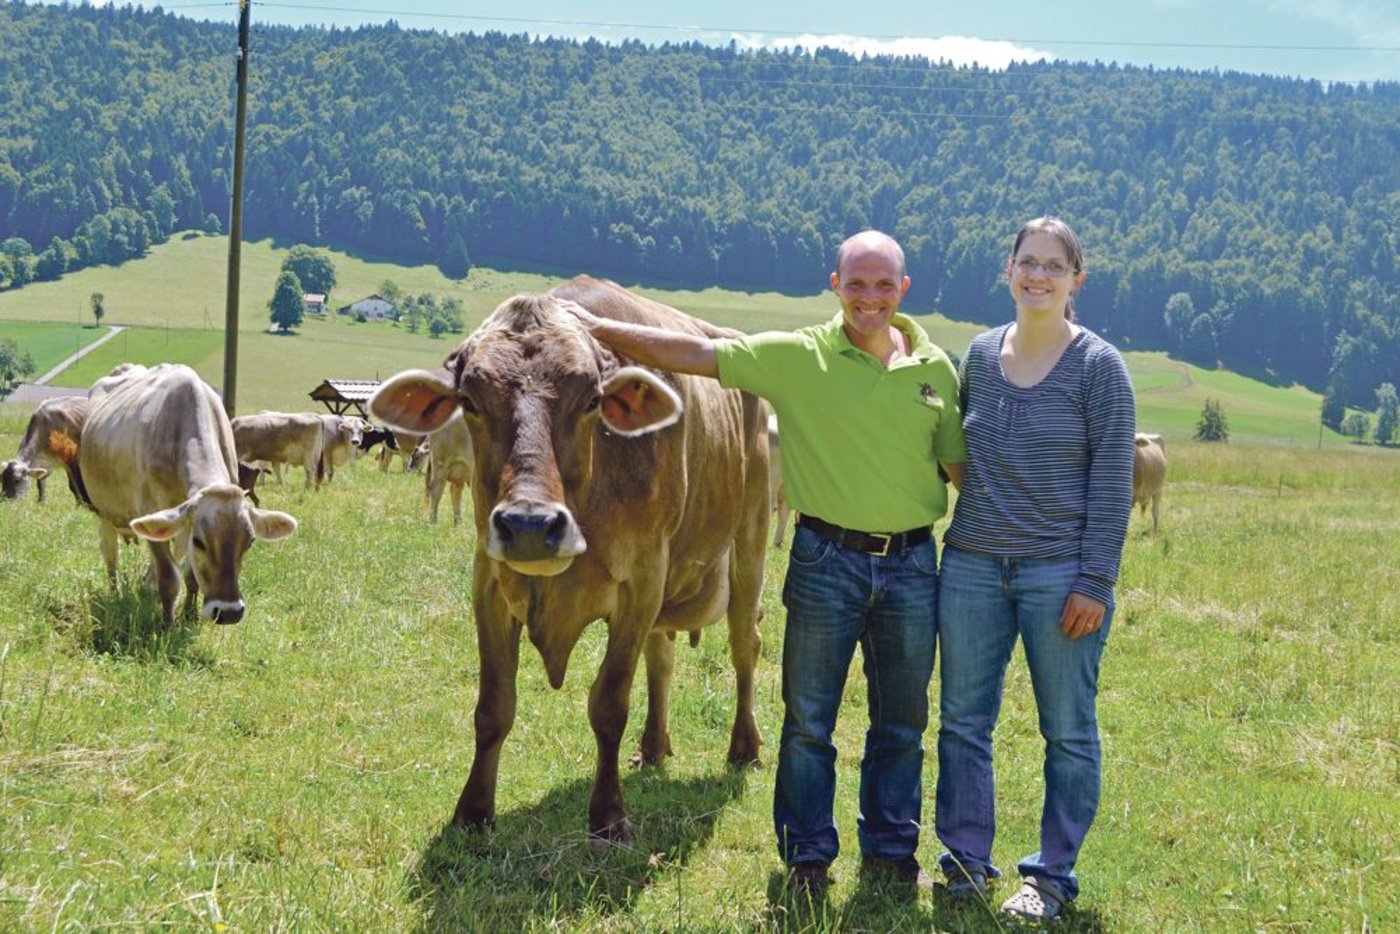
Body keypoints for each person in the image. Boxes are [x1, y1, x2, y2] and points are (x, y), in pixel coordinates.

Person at [562, 230, 966, 897]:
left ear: (904, 290)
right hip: (825, 559)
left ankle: (892, 850)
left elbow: (959, 469)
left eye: (883, 285)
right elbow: (695, 352)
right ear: (835, 287)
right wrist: (591, 321)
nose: (870, 298)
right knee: (809, 718)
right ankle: (807, 855)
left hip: (912, 563)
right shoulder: (796, 355)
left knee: (902, 720)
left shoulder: (936, 371)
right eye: (856, 285)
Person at [932, 216, 1135, 922]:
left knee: (1068, 729)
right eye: (1028, 262)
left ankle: (1049, 879)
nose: (1038, 276)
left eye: (1054, 265)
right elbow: (959, 455)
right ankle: (963, 863)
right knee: (961, 721)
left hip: (1060, 576)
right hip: (972, 568)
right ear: (1008, 270)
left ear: (1077, 279)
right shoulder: (981, 357)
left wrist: (1095, 582)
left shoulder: (1100, 368)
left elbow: (1114, 484)